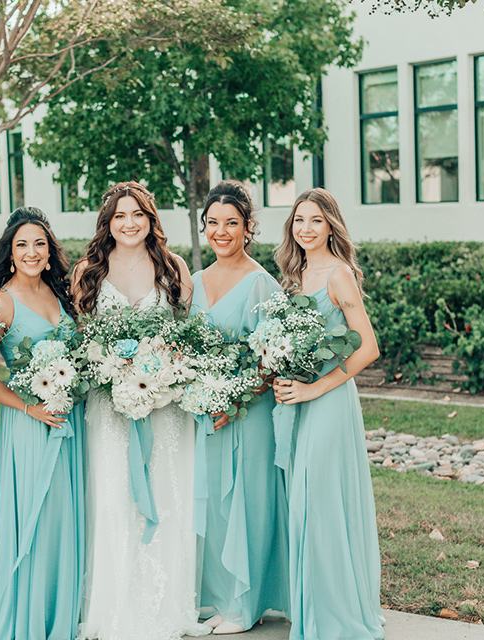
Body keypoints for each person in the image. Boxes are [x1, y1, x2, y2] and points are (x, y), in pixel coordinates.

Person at [73, 181, 209, 640]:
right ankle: (114, 608)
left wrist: (165, 371)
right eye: (119, 216)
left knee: (166, 496)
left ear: (151, 220)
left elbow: (190, 337)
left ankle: (164, 605)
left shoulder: (173, 268)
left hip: (165, 409)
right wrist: (114, 373)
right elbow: (81, 339)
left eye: (138, 215)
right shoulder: (88, 271)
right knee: (114, 496)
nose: (129, 223)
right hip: (109, 407)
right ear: (107, 223)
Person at [271, 188, 384, 640]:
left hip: (329, 402)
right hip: (296, 402)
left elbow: (368, 348)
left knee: (322, 504)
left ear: (331, 225)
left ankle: (336, 618)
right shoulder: (292, 277)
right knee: (304, 505)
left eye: (316, 220)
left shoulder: (339, 276)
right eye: (299, 220)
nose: (306, 228)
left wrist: (316, 386)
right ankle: (314, 609)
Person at [189, 181, 289, 635]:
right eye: (213, 223)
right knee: (212, 502)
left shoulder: (261, 284)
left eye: (232, 223)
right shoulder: (193, 284)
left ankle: (245, 604)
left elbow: (274, 357)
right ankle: (217, 597)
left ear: (248, 228)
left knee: (246, 499)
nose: (221, 231)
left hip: (248, 413)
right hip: (206, 413)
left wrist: (236, 399)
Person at [0, 207, 86, 640]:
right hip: (29, 427)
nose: (31, 251)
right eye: (22, 244)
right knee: (36, 517)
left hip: (70, 421)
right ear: (9, 252)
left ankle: (63, 612)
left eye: (39, 244)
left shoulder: (60, 294)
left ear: (50, 252)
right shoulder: (1, 302)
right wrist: (30, 408)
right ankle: (30, 618)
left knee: (66, 516)